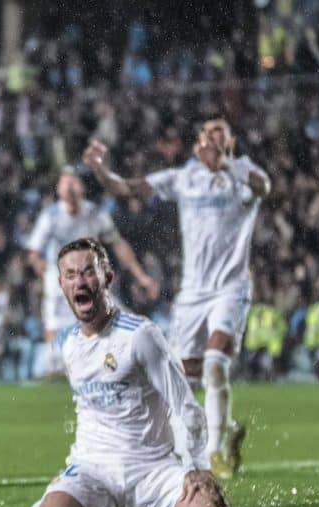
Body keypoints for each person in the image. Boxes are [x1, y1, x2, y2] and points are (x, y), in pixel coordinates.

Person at [83, 116, 271, 478]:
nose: (211, 138)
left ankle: (215, 452)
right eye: (205, 133)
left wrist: (228, 164)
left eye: (219, 132)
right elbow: (127, 189)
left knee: (216, 362)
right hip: (192, 295)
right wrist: (100, 170)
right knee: (180, 378)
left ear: (230, 140)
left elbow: (264, 187)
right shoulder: (184, 177)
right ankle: (223, 430)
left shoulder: (242, 171)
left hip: (229, 289)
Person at [26, 239, 231, 507]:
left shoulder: (140, 336)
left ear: (107, 277)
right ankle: (63, 498)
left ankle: (165, 506)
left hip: (152, 469)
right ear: (61, 284)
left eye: (88, 272)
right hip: (93, 468)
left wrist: (196, 465)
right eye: (70, 275)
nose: (79, 281)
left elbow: (183, 403)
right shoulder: (69, 344)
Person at [26, 166, 160, 375]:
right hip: (59, 282)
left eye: (73, 182)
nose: (70, 187)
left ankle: (127, 368)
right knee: (56, 334)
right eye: (65, 182)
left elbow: (117, 244)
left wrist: (142, 277)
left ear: (81, 188)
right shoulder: (51, 215)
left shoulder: (95, 213)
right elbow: (34, 251)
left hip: (91, 280)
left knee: (124, 324)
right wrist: (39, 264)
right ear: (58, 189)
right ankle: (56, 373)